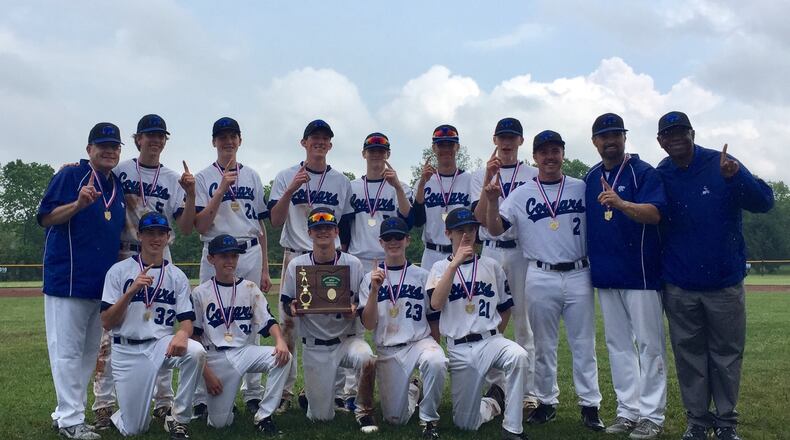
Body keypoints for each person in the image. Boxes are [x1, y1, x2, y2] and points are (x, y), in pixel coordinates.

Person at [655, 111, 774, 440]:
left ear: (693, 133)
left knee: (726, 355)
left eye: (681, 131)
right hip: (680, 284)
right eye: (669, 133)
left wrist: (737, 178)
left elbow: (764, 202)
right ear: (660, 141)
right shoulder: (661, 173)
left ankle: (726, 423)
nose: (676, 137)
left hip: (724, 283)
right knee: (688, 356)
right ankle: (697, 421)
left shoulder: (723, 163)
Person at [484, 130, 605, 432]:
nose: (550, 157)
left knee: (583, 342)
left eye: (555, 151)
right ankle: (546, 402)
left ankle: (590, 405)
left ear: (563, 154)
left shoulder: (581, 187)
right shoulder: (523, 192)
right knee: (544, 344)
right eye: (544, 152)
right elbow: (496, 229)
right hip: (539, 273)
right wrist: (490, 198)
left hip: (579, 272)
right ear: (535, 157)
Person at [92, 114, 197, 427]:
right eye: (149, 135)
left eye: (160, 135)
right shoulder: (122, 170)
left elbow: (187, 226)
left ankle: (164, 402)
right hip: (124, 251)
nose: (155, 140)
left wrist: (191, 194)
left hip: (161, 253)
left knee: (162, 328)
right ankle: (103, 404)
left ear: (166, 140)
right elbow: (95, 173)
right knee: (110, 331)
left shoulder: (172, 178)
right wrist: (74, 167)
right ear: (137, 139)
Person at [38, 122, 127, 440]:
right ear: (89, 149)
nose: (109, 150)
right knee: (66, 352)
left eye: (114, 146)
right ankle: (70, 419)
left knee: (89, 353)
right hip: (68, 280)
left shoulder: (116, 185)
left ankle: (68, 412)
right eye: (102, 144)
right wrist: (77, 204)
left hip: (99, 285)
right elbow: (46, 218)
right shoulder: (70, 174)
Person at [584, 113, 668, 439]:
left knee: (649, 346)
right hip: (606, 274)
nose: (610, 141)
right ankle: (628, 410)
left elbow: (656, 213)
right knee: (618, 345)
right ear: (594, 141)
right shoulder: (591, 177)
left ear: (624, 137)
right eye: (604, 136)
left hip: (641, 273)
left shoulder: (643, 172)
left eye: (616, 134)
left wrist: (621, 204)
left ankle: (652, 415)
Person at [269, 119, 353, 412]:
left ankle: (333, 391)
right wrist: (291, 189)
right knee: (289, 327)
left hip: (331, 260)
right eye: (313, 138)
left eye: (324, 139)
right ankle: (284, 393)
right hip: (296, 256)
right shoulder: (284, 176)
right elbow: (276, 219)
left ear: (330, 145)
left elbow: (346, 226)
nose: (319, 142)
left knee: (334, 329)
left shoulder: (341, 182)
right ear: (303, 143)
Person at [100, 212, 205, 440]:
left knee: (195, 352)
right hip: (127, 350)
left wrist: (183, 334)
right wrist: (131, 291)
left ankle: (179, 419)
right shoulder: (119, 271)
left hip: (160, 345)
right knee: (134, 429)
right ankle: (125, 415)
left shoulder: (176, 276)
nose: (155, 238)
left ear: (168, 237)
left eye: (161, 233)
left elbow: (187, 321)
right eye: (149, 233)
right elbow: (107, 321)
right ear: (139, 236)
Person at [427, 207, 529, 440]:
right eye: (460, 230)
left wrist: (494, 337)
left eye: (471, 229)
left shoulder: (491, 265)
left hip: (491, 340)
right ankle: (494, 401)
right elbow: (435, 303)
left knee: (519, 356)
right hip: (459, 347)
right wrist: (454, 265)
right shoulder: (439, 268)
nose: (467, 235)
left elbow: (505, 308)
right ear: (448, 233)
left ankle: (513, 429)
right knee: (465, 424)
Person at [193, 117, 272, 415]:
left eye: (232, 136)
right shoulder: (204, 177)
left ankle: (253, 393)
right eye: (222, 137)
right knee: (206, 322)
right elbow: (200, 223)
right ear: (214, 142)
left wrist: (264, 269)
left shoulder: (251, 175)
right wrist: (220, 190)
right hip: (214, 251)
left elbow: (260, 226)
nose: (228, 141)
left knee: (250, 321)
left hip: (249, 252)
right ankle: (202, 396)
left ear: (240, 140)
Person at [279, 207, 379, 433]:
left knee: (367, 358)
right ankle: (312, 396)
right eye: (317, 228)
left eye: (327, 228)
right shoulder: (298, 265)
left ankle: (364, 412)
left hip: (347, 340)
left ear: (336, 231)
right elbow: (286, 301)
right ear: (310, 233)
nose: (322, 232)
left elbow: (361, 305)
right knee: (321, 418)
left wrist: (354, 309)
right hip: (316, 345)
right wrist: (292, 307)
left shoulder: (353, 263)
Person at [191, 234, 291, 435]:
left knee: (283, 357)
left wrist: (280, 341)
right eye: (224, 256)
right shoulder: (200, 293)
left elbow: (268, 321)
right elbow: (194, 339)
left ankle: (264, 416)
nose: (230, 261)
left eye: (234, 256)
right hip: (215, 356)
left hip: (245, 352)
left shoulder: (249, 288)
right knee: (220, 424)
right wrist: (207, 374)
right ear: (211, 259)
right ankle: (219, 408)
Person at [358, 217, 447, 439]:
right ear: (381, 242)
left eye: (399, 236)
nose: (393, 241)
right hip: (388, 349)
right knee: (395, 419)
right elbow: (368, 324)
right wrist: (374, 291)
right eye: (388, 237)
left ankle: (429, 421)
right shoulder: (370, 278)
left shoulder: (422, 275)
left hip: (419, 341)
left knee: (436, 361)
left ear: (407, 240)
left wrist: (436, 345)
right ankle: (413, 388)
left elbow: (433, 317)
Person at [472, 117, 539, 410]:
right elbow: (477, 217)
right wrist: (488, 184)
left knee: (524, 322)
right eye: (503, 137)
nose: (508, 142)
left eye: (513, 137)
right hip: (490, 248)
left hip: (521, 251)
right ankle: (496, 385)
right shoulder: (481, 172)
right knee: (489, 320)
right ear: (495, 140)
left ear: (521, 141)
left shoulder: (532, 174)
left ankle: (528, 392)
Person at [340, 132, 412, 269]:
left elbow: (408, 220)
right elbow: (344, 227)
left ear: (388, 154)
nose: (376, 154)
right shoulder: (352, 187)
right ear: (364, 154)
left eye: (381, 151)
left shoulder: (400, 187)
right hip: (356, 258)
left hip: (390, 257)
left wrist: (397, 188)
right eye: (372, 151)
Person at [413, 124, 474, 271]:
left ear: (457, 147)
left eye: (450, 145)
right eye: (441, 145)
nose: (446, 149)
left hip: (460, 252)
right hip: (431, 253)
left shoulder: (469, 180)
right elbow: (417, 221)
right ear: (434, 148)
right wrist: (422, 184)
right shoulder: (423, 181)